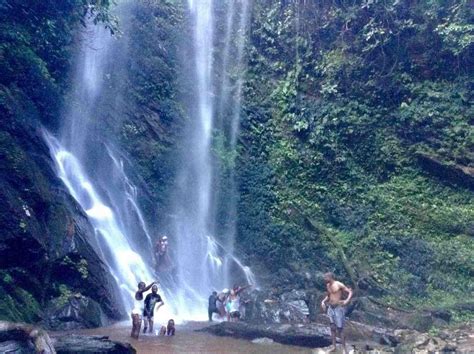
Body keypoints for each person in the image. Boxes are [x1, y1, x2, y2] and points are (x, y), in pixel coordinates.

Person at [320, 272, 353, 353]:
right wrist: (323, 302)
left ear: (330, 277)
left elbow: (350, 292)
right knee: (332, 327)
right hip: (330, 308)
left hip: (338, 308)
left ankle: (344, 349)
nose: (324, 279)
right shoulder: (328, 285)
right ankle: (333, 346)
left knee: (340, 329)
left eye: (326, 277)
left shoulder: (338, 284)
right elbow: (329, 295)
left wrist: (346, 301)